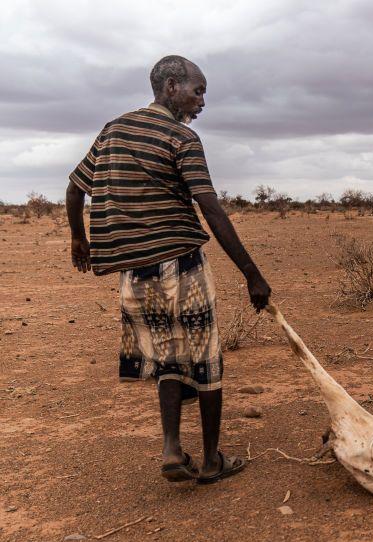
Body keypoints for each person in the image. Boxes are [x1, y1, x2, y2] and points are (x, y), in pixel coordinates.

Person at [65, 55, 271, 484]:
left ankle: (172, 448)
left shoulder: (113, 130)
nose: (201, 103)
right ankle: (212, 459)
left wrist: (78, 238)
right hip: (182, 266)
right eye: (199, 92)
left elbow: (74, 187)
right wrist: (251, 272)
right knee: (205, 357)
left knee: (166, 359)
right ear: (172, 86)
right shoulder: (182, 138)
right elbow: (210, 208)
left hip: (134, 276)